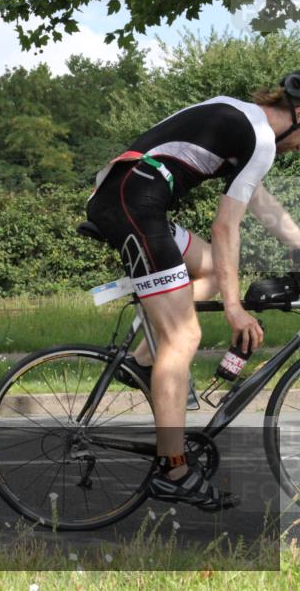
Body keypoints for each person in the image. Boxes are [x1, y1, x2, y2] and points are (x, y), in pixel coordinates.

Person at [85, 71, 300, 510]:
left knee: (211, 274)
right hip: (134, 205)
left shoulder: (242, 119)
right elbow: (226, 228)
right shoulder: (258, 139)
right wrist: (235, 310)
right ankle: (174, 471)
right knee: (184, 337)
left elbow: (264, 207)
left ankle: (144, 363)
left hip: (133, 199)